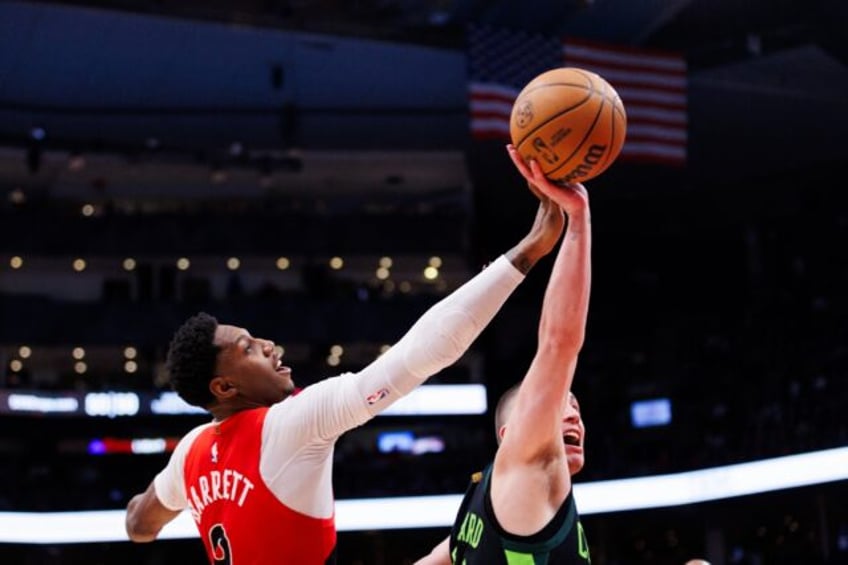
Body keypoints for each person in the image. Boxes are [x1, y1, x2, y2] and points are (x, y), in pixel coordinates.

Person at [124, 148, 567, 565]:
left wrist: (145, 512)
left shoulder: (190, 453)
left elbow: (140, 523)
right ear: (223, 387)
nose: (269, 346)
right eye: (248, 349)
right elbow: (419, 355)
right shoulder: (292, 423)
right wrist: (528, 252)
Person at [415, 145, 592, 564]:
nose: (571, 415)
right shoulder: (527, 468)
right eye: (557, 403)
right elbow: (558, 343)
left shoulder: (473, 512)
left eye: (575, 407)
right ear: (509, 437)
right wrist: (579, 221)